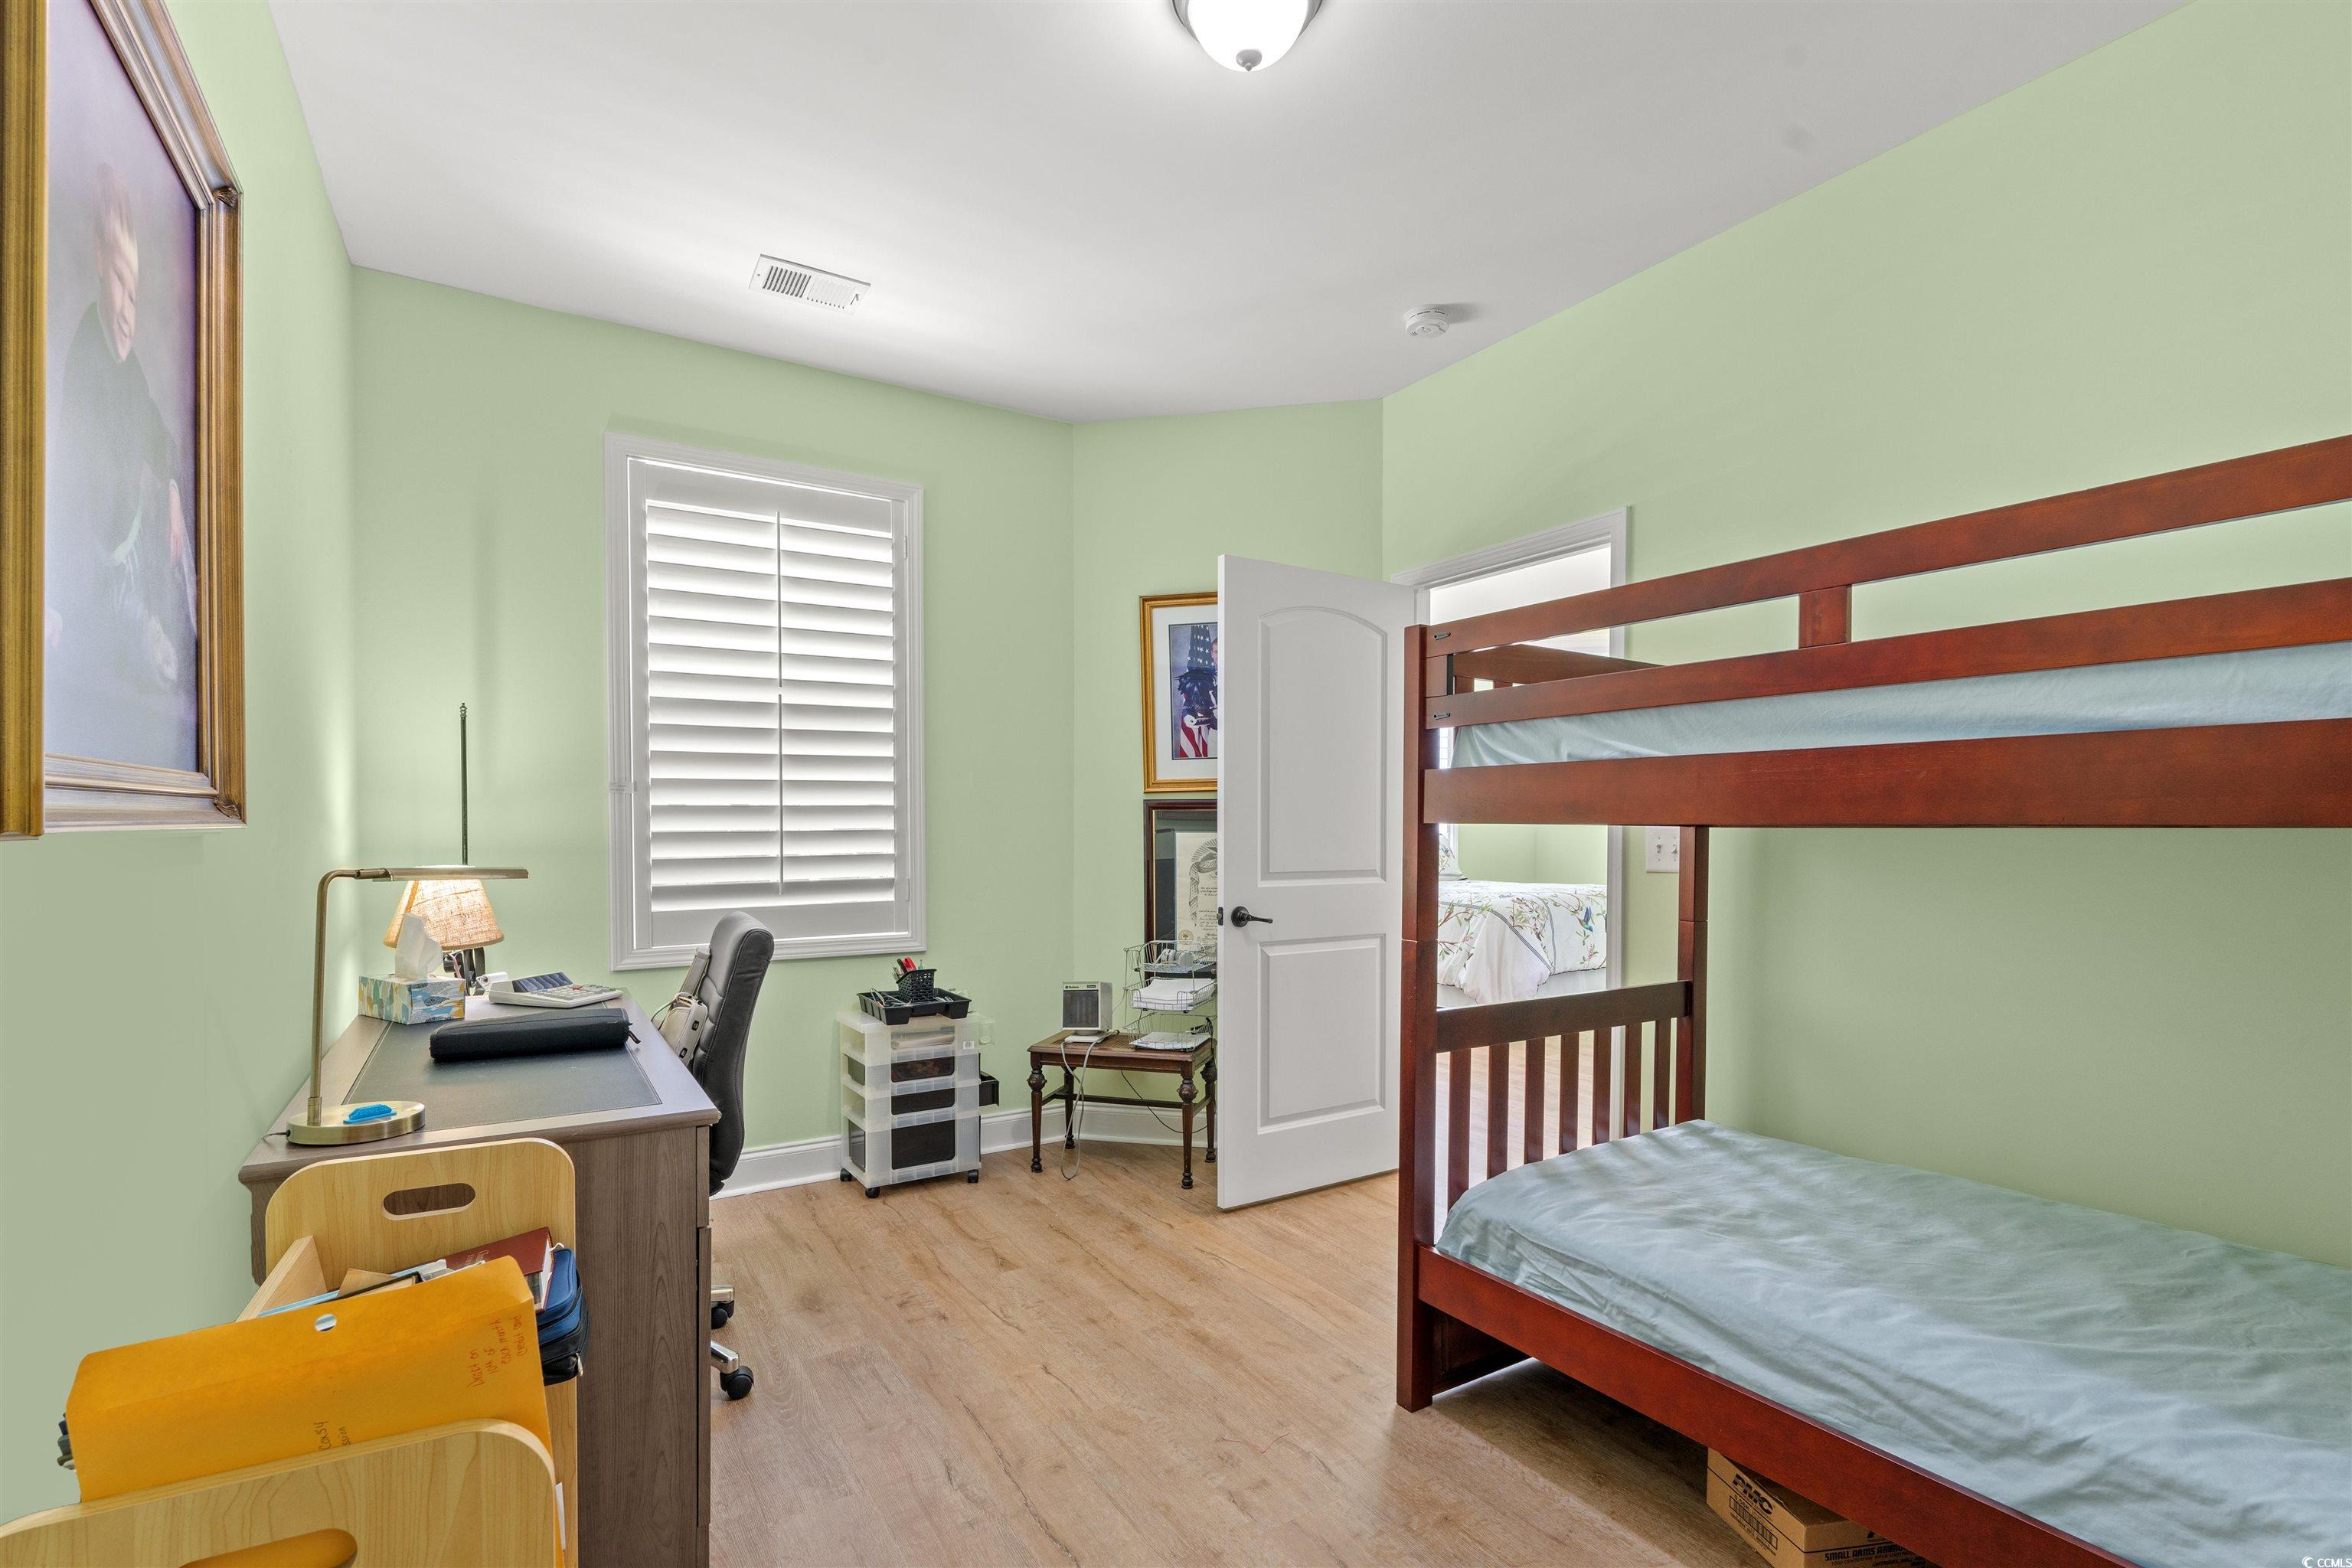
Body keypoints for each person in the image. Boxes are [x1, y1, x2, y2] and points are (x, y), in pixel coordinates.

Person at [46, 162, 198, 769]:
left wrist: (170, 491)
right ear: (97, 272)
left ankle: (157, 640)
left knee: (169, 642)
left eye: (137, 292)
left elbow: (158, 433)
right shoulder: (87, 360)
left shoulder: (128, 370)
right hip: (93, 565)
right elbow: (72, 494)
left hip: (125, 554)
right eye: (119, 284)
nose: (129, 308)